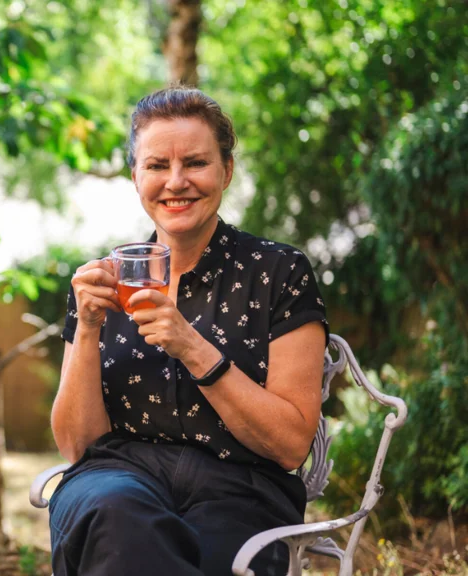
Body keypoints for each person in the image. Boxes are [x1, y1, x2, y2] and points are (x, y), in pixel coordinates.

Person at [48, 87, 328, 576]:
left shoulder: (279, 272)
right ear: (136, 175)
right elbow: (77, 446)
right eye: (157, 165)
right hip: (118, 477)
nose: (176, 182)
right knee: (118, 519)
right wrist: (88, 327)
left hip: (242, 487)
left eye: (195, 162)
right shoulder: (102, 282)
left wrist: (194, 349)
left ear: (227, 171)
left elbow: (289, 446)